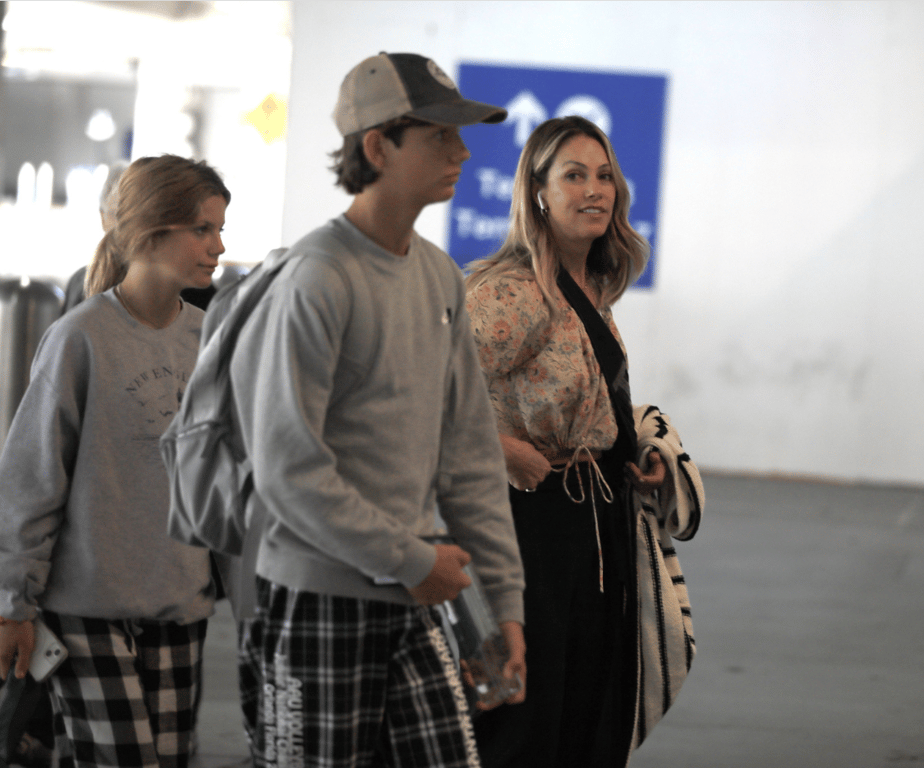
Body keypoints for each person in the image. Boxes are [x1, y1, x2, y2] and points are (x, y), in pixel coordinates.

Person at [227, 52, 526, 767]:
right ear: (377, 147)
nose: (461, 151)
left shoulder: (439, 278)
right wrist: (413, 561)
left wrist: (503, 602)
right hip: (317, 602)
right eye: (439, 135)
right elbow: (289, 471)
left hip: (416, 592)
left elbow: (470, 455)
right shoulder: (317, 278)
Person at [0, 154, 230, 768]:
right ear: (152, 232)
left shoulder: (209, 339)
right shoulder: (80, 336)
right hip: (87, 608)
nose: (218, 246)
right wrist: (12, 604)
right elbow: (32, 480)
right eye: (202, 229)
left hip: (180, 603)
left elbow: (224, 483)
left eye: (219, 229)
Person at [464, 116, 673, 767]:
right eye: (574, 175)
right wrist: (502, 449)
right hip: (527, 524)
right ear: (538, 192)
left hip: (592, 523)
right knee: (526, 716)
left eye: (604, 175)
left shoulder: (591, 288)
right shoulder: (510, 293)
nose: (594, 190)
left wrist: (636, 456)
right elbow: (422, 391)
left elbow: (586, 403)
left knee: (585, 703)